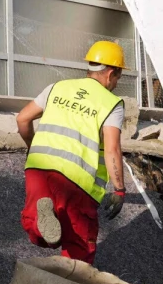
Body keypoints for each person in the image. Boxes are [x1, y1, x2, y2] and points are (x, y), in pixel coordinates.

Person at [15, 40, 130, 264]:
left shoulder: (56, 87)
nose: (116, 84)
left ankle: (41, 221)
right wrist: (119, 190)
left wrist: (32, 147)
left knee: (37, 228)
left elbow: (22, 119)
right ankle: (71, 282)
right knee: (79, 246)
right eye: (118, 77)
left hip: (38, 169)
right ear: (111, 73)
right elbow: (112, 149)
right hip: (77, 181)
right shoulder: (111, 103)